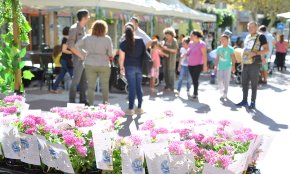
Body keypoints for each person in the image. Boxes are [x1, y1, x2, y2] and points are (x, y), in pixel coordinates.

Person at [73, 20, 113, 106]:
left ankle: (90, 106)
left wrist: (83, 53)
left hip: (90, 63)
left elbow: (76, 46)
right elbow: (110, 53)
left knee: (91, 87)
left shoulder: (87, 37)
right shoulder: (107, 39)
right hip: (104, 64)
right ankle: (105, 106)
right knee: (105, 86)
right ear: (104, 29)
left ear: (93, 28)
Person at [236, 21, 269, 109]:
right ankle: (244, 100)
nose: (250, 28)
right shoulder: (247, 36)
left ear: (257, 27)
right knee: (244, 82)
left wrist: (255, 53)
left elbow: (266, 49)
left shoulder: (261, 36)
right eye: (249, 27)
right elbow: (246, 49)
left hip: (255, 63)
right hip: (245, 62)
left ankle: (253, 102)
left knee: (254, 83)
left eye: (252, 27)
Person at [119, 22, 146, 116]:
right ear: (134, 30)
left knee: (132, 88)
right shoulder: (141, 41)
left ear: (124, 32)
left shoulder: (123, 43)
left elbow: (121, 58)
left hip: (129, 67)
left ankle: (130, 109)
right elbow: (144, 54)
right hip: (139, 67)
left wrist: (121, 68)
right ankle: (139, 108)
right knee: (139, 87)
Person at [67, 9, 90, 104]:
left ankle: (83, 100)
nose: (89, 18)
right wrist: (81, 55)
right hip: (78, 59)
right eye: (88, 16)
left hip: (84, 59)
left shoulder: (84, 28)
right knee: (75, 81)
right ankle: (71, 101)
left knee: (84, 82)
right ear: (84, 17)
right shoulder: (73, 29)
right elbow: (70, 46)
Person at [51, 27, 73, 93]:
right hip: (66, 60)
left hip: (64, 60)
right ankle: (78, 88)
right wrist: (73, 52)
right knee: (73, 75)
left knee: (61, 75)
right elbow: (64, 50)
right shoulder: (65, 39)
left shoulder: (66, 39)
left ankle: (54, 88)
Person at [187, 30, 208, 99]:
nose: (190, 37)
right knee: (193, 79)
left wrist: (205, 65)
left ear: (196, 36)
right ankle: (195, 91)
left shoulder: (202, 44)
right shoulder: (190, 43)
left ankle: (195, 93)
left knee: (195, 79)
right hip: (190, 64)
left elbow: (204, 55)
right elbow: (189, 51)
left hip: (198, 64)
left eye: (191, 35)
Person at [215, 34, 236, 99]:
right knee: (219, 79)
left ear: (227, 40)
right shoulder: (219, 48)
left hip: (228, 66)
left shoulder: (230, 49)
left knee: (226, 80)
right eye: (221, 39)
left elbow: (233, 58)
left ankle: (225, 93)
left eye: (224, 39)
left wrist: (233, 66)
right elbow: (217, 57)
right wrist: (215, 65)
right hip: (220, 66)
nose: (222, 40)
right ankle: (221, 89)